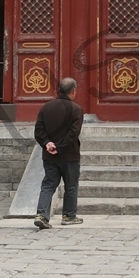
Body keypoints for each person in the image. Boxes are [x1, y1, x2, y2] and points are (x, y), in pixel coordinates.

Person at [32, 76, 83, 229]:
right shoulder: (76, 109)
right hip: (69, 155)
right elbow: (73, 134)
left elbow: (38, 130)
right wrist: (60, 147)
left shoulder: (46, 107)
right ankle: (68, 215)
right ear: (73, 91)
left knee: (48, 184)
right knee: (71, 186)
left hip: (49, 155)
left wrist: (47, 144)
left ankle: (41, 214)